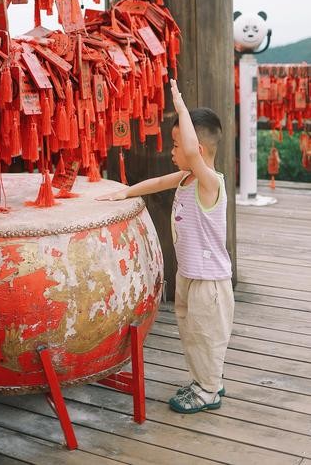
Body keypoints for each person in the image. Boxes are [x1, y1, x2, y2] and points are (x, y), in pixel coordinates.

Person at [97, 79, 234, 414]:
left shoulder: (209, 183)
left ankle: (209, 389)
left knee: (206, 335)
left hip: (209, 282)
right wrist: (124, 193)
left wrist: (181, 106)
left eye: (176, 146)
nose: (172, 152)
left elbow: (189, 150)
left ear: (197, 151)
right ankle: (204, 378)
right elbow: (157, 182)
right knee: (191, 334)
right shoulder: (187, 178)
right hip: (189, 275)